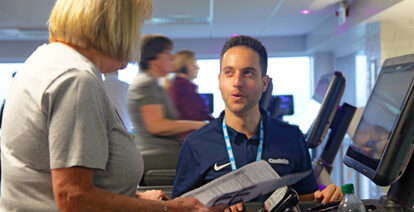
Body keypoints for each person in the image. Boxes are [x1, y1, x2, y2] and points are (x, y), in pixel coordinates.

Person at [0, 1, 219, 211]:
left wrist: (137, 198)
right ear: (116, 26)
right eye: (137, 25)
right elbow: (74, 197)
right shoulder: (76, 80)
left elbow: (50, 181)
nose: (137, 37)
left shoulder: (45, 60)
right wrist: (169, 209)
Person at [172, 35, 343, 211]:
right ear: (220, 80)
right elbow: (177, 208)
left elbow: (307, 198)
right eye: (229, 72)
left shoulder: (292, 137)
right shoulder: (196, 144)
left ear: (264, 83)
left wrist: (325, 194)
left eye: (248, 73)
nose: (237, 82)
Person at [127, 35, 206, 153]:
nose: (173, 58)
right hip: (157, 151)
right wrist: (198, 125)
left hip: (165, 149)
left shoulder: (153, 83)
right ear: (153, 57)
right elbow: (156, 126)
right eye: (168, 53)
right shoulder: (146, 83)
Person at [168, 50, 214, 138]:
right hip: (190, 137)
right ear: (184, 66)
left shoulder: (177, 85)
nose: (197, 67)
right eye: (194, 64)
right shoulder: (183, 86)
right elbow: (195, 115)